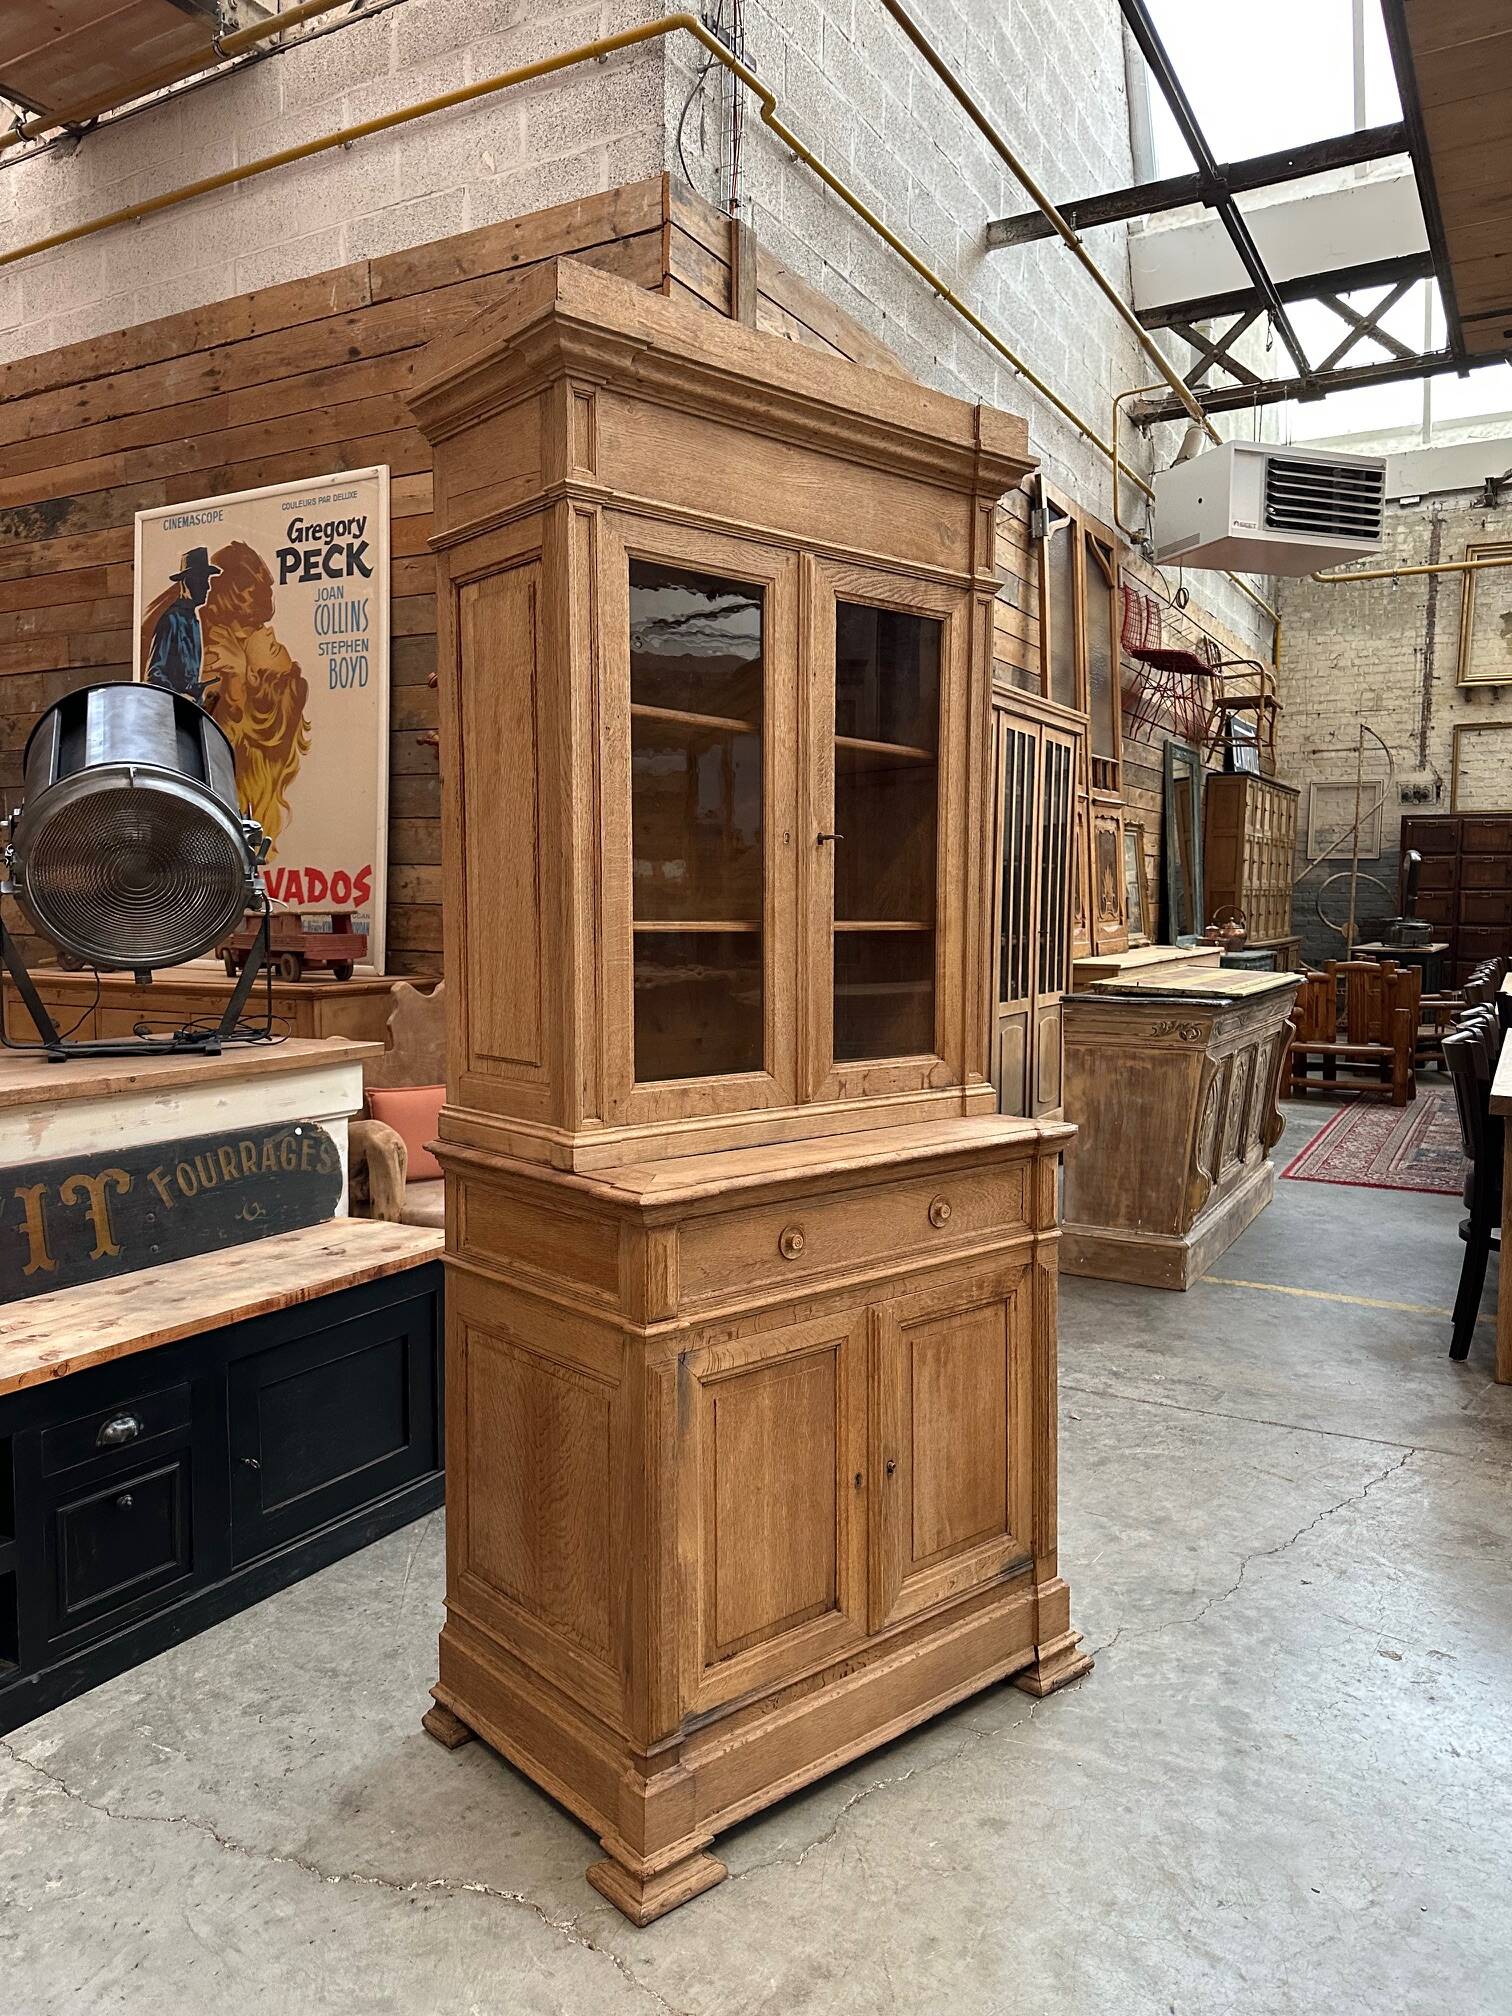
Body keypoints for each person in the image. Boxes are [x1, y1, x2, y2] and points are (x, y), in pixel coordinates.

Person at [144, 546, 222, 699]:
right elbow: (153, 677)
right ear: (187, 581)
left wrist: (195, 690)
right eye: (202, 579)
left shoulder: (193, 621)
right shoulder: (171, 620)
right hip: (173, 712)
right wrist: (180, 696)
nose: (208, 586)